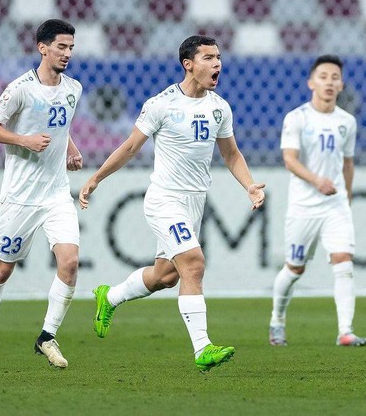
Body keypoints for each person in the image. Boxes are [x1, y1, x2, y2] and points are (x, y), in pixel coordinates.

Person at [79, 35, 265, 372]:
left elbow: (231, 153)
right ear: (188, 64)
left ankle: (111, 297)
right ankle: (202, 349)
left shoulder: (219, 107)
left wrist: (250, 186)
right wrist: (96, 178)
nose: (218, 63)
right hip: (165, 200)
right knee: (193, 264)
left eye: (219, 57)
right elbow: (130, 147)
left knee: (166, 276)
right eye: (209, 57)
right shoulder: (161, 104)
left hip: (195, 203)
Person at [0, 19, 84, 371]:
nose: (67, 53)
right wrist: (24, 140)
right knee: (2, 270)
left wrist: (71, 148)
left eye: (71, 47)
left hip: (55, 194)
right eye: (61, 47)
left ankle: (46, 337)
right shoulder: (20, 88)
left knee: (69, 263)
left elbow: (60, 126)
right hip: (20, 196)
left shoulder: (74, 88)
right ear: (43, 48)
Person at [269, 54, 366, 347]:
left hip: (335, 205)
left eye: (334, 77)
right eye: (323, 76)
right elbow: (289, 159)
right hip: (304, 206)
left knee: (343, 262)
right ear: (311, 82)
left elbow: (348, 163)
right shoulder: (297, 118)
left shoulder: (347, 122)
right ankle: (277, 319)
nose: (329, 82)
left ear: (341, 85)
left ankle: (345, 331)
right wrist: (316, 181)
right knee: (294, 269)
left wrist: (346, 196)